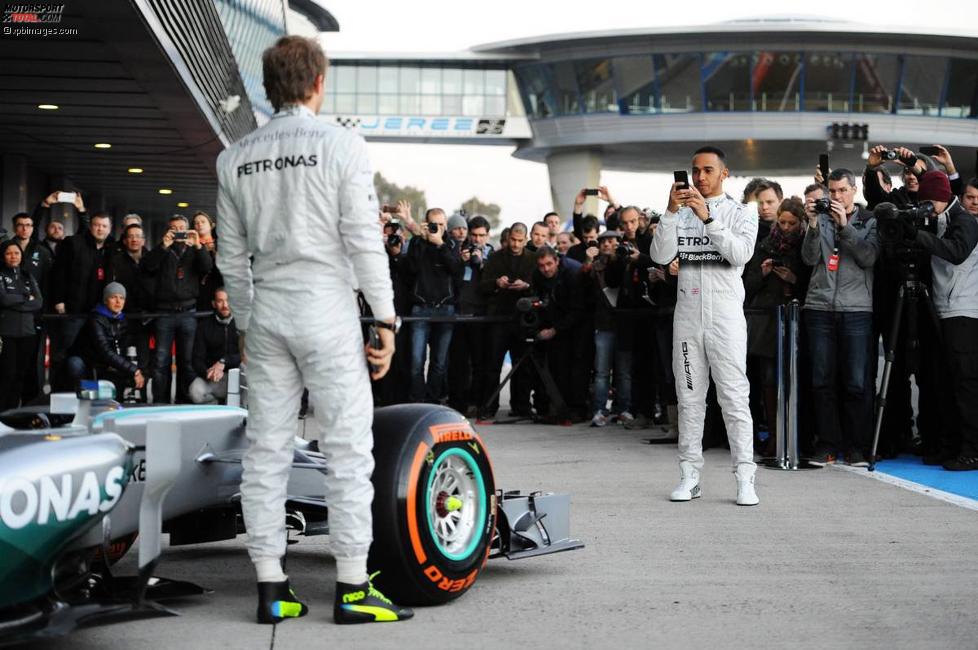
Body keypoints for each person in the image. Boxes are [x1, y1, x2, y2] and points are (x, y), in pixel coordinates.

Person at [216, 35, 410, 624]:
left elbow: (230, 259)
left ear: (269, 87)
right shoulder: (343, 145)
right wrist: (383, 317)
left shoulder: (235, 156)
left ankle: (271, 588)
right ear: (318, 83)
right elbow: (363, 240)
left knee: (266, 452)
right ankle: (352, 587)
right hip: (326, 309)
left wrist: (247, 324)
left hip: (269, 310)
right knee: (350, 452)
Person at [649, 145, 759, 506]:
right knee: (690, 399)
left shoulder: (743, 212)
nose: (699, 177)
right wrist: (670, 211)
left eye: (708, 170)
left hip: (726, 317)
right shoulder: (678, 215)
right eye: (695, 170)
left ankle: (745, 476)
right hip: (688, 317)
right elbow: (660, 256)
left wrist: (708, 217)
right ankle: (689, 475)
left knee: (733, 397)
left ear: (724, 174)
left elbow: (740, 254)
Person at [801, 169, 879, 467]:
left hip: (857, 309)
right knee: (822, 381)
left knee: (856, 382)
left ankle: (857, 446)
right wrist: (811, 224)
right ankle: (828, 445)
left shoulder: (869, 220)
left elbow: (868, 258)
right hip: (820, 307)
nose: (836, 197)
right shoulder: (819, 220)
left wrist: (845, 226)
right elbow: (808, 258)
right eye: (831, 192)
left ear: (854, 190)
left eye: (842, 191)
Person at [910, 171, 978, 470]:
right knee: (944, 384)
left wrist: (918, 236)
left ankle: (972, 450)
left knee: (965, 385)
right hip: (941, 307)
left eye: (929, 201)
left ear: (941, 197)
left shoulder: (964, 220)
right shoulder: (934, 218)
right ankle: (949, 446)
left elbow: (957, 253)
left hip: (964, 310)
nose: (926, 206)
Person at [743, 197, 810, 456]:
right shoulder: (765, 245)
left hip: (795, 319)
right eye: (781, 222)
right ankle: (773, 436)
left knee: (795, 379)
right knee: (768, 380)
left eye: (791, 223)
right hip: (767, 322)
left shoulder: (806, 246)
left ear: (800, 222)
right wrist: (763, 272)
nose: (784, 227)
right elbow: (747, 286)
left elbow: (811, 283)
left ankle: (795, 436)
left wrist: (794, 279)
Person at [405, 207, 462, 404]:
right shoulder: (417, 242)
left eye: (440, 224)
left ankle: (433, 401)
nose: (436, 228)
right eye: (433, 224)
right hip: (421, 307)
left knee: (439, 363)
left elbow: (456, 269)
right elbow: (411, 268)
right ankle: (417, 401)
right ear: (426, 224)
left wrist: (440, 245)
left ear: (446, 225)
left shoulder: (452, 243)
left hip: (445, 308)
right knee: (416, 362)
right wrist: (422, 240)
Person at [480, 222, 535, 419]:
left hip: (522, 320)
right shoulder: (495, 258)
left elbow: (538, 285)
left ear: (525, 240)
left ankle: (521, 406)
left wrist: (526, 286)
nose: (516, 244)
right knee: (493, 365)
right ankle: (489, 406)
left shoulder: (533, 258)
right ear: (508, 237)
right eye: (513, 239)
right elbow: (483, 286)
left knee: (522, 365)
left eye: (520, 241)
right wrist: (497, 283)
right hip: (499, 319)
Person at [64, 282, 145, 397]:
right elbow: (105, 351)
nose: (118, 302)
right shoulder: (95, 319)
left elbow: (119, 351)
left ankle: (105, 398)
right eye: (113, 297)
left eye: (121, 298)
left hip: (105, 365)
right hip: (88, 364)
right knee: (75, 365)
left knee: (117, 386)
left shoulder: (123, 320)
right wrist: (134, 370)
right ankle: (78, 399)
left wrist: (133, 372)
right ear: (105, 300)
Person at [0, 240, 43, 410]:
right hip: (6, 333)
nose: (13, 256)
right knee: (6, 375)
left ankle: (13, 413)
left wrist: (15, 300)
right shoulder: (1, 274)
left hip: (28, 332)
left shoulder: (27, 275)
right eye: (9, 253)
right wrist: (25, 297)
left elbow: (39, 302)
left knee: (21, 375)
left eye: (16, 253)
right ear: (3, 256)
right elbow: (3, 298)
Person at [189, 288, 240, 404]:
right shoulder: (204, 326)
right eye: (220, 301)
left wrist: (223, 361)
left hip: (238, 378)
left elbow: (247, 355)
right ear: (214, 303)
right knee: (195, 391)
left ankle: (242, 414)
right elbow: (196, 359)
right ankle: (217, 405)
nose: (225, 305)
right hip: (215, 378)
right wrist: (208, 373)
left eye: (228, 300)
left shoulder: (242, 323)